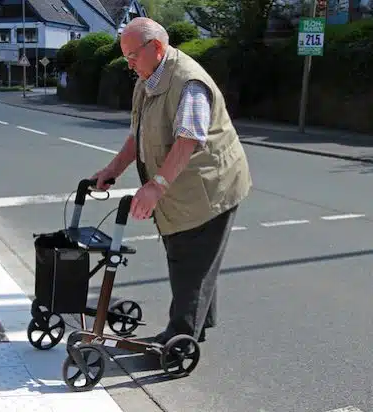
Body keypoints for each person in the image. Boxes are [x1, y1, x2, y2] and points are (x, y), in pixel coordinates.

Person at [91, 17, 252, 345]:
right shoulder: (147, 79)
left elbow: (188, 140)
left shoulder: (188, 82)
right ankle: (196, 327)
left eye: (133, 56)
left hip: (211, 187)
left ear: (157, 48)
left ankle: (180, 339)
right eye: (126, 57)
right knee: (193, 260)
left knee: (189, 262)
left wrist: (156, 186)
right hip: (184, 188)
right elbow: (137, 135)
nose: (129, 64)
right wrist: (112, 169)